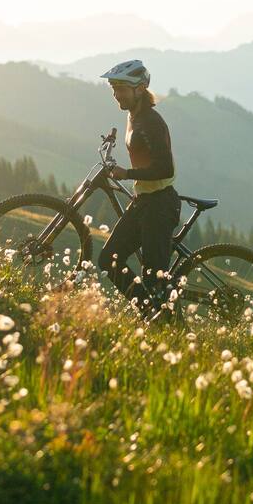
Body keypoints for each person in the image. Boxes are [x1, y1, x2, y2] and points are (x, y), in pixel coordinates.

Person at [97, 60, 181, 316]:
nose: (116, 94)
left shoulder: (150, 122)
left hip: (159, 205)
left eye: (121, 88)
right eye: (113, 88)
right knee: (108, 259)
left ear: (141, 88)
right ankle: (149, 314)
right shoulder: (133, 116)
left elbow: (165, 168)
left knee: (155, 279)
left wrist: (128, 173)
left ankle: (164, 321)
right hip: (144, 200)